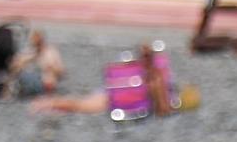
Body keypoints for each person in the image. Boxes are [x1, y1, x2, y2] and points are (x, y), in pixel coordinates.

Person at [32, 44, 182, 118]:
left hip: (116, 91)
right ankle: (48, 104)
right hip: (115, 94)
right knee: (81, 105)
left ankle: (49, 104)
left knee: (80, 104)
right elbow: (162, 108)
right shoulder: (159, 78)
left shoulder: (154, 75)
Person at [8, 29, 65, 98]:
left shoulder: (51, 53)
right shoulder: (30, 52)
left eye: (38, 43)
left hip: (46, 84)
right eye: (34, 43)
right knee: (19, 68)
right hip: (34, 83)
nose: (36, 46)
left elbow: (61, 72)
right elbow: (14, 65)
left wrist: (52, 68)